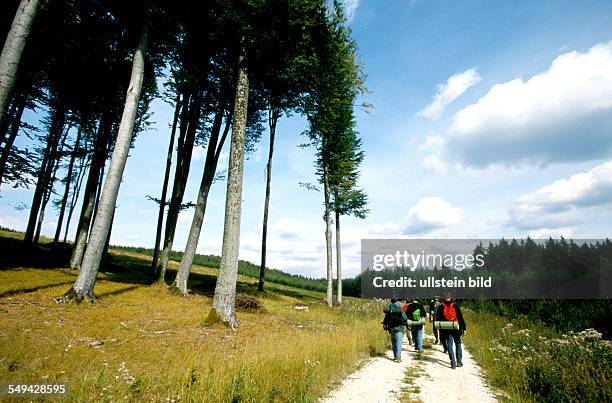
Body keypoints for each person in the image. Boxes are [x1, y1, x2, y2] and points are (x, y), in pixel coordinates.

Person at [436, 297, 467, 369]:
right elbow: (460, 318)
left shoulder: (441, 307)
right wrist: (464, 329)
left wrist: (440, 329)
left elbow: (438, 320)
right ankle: (459, 362)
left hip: (446, 329)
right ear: (452, 299)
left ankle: (453, 362)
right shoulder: (455, 306)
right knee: (458, 343)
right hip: (456, 328)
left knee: (449, 344)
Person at [382, 298, 408, 362]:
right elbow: (405, 317)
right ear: (396, 302)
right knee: (399, 342)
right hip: (399, 327)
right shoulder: (399, 309)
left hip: (392, 328)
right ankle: (398, 357)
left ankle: (395, 356)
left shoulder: (389, 310)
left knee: (393, 342)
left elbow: (386, 319)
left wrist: (385, 325)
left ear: (391, 302)